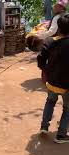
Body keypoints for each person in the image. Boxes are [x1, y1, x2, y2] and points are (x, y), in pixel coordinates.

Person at [38, 14, 69, 143]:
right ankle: (61, 135)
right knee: (67, 108)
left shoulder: (50, 41)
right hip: (66, 84)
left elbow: (40, 58)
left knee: (50, 101)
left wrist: (45, 70)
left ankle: (44, 127)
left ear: (59, 28)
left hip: (51, 81)